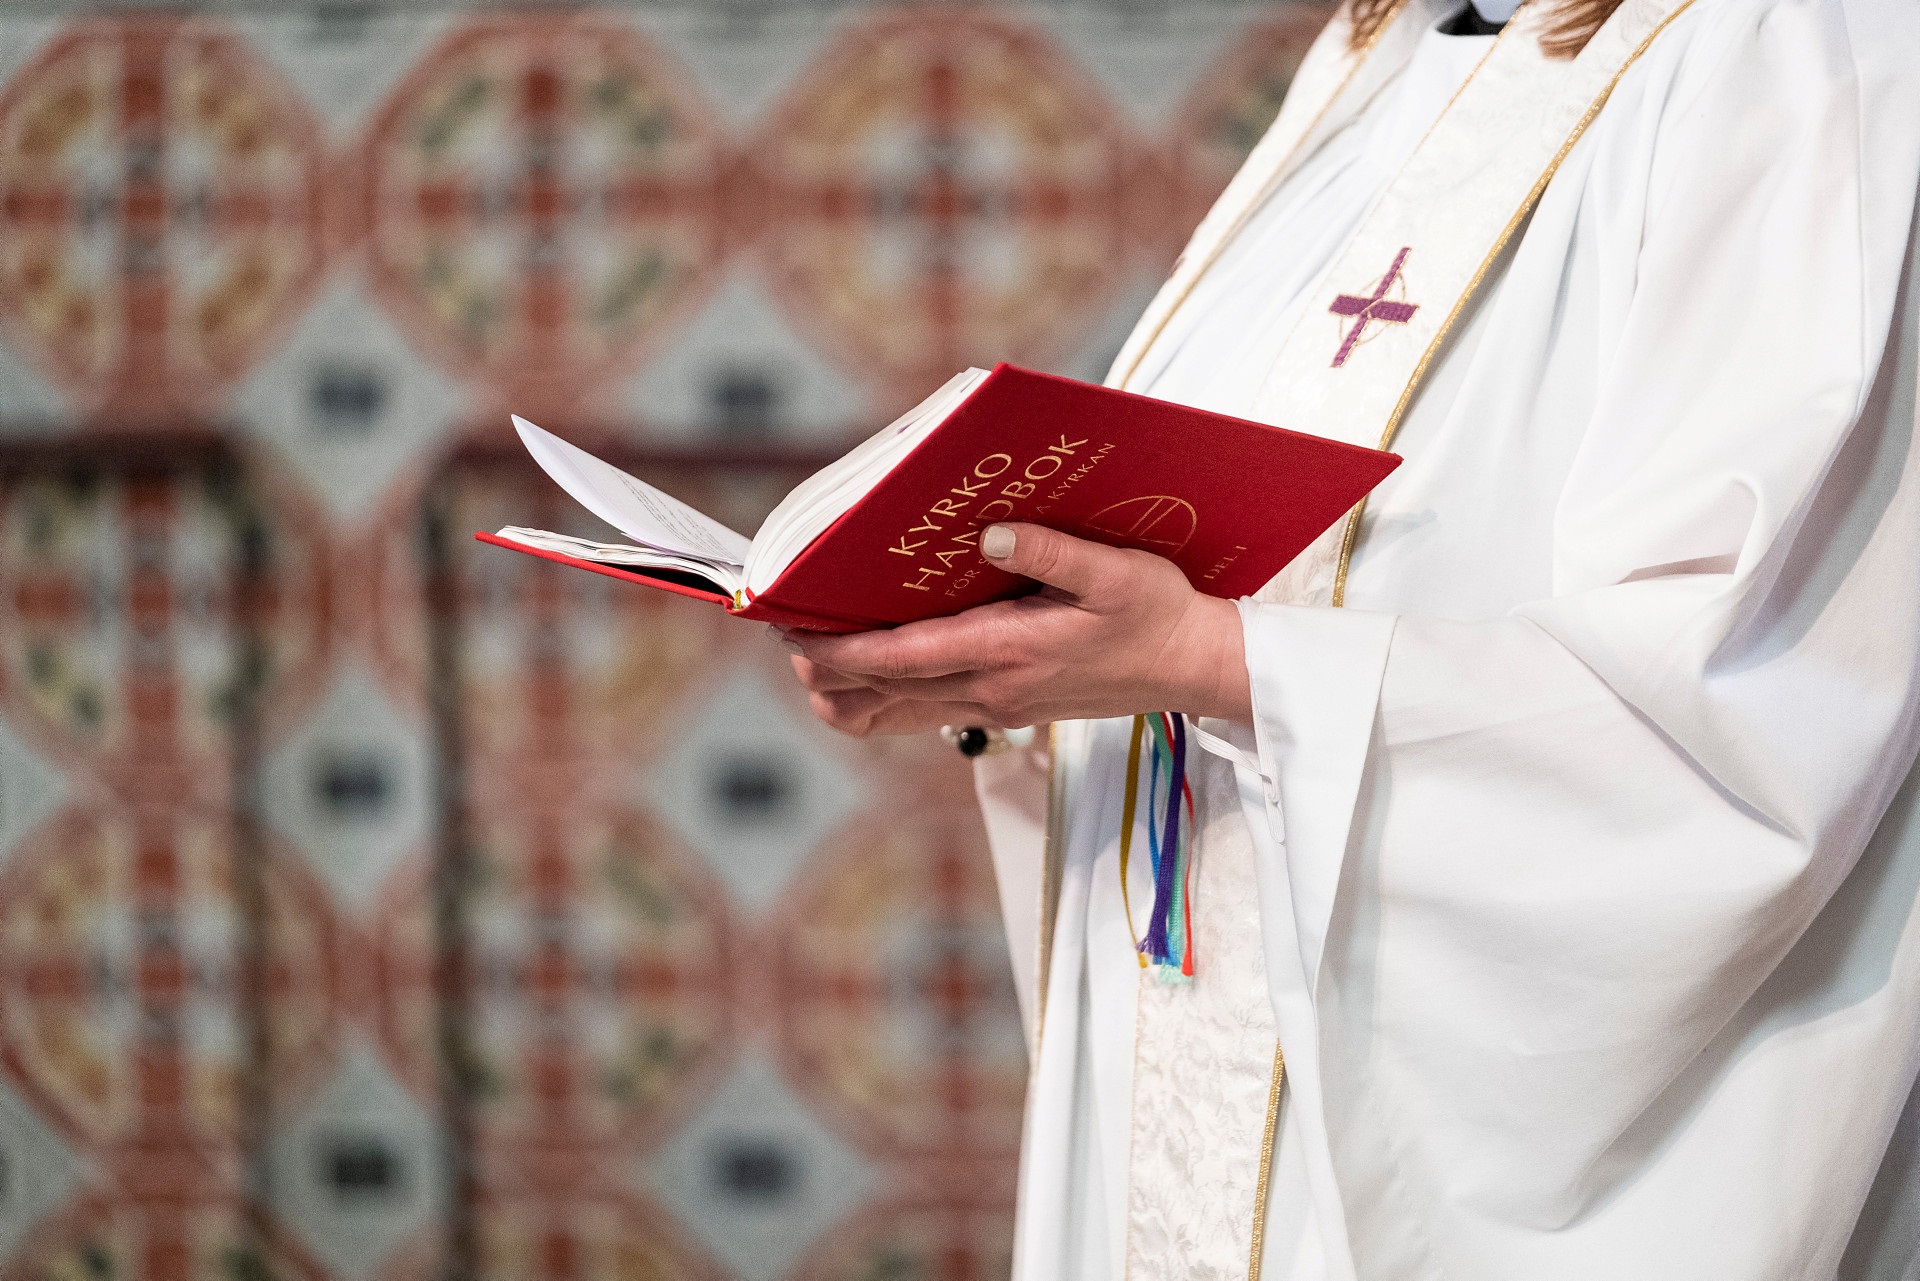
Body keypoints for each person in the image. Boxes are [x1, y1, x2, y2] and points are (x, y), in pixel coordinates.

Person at [783, 0, 1920, 1274]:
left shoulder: (1802, 49)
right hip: (1197, 1017)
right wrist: (1001, 648)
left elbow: (1759, 707)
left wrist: (1210, 664)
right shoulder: (1384, 45)